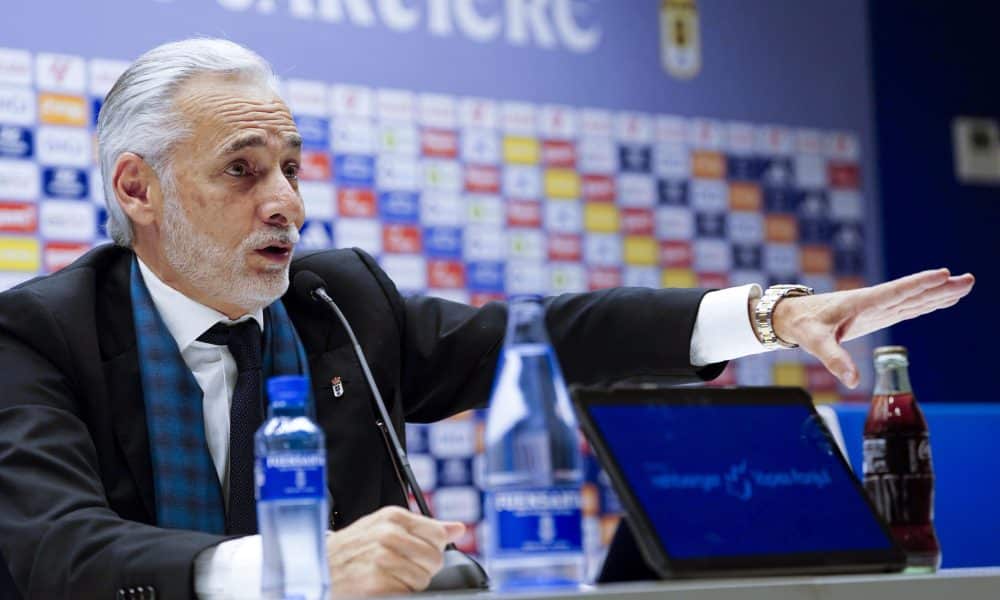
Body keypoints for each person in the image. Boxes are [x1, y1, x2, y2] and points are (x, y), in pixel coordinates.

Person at [0, 38, 974, 600]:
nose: (287, 202)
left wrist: (766, 313)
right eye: (244, 171)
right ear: (139, 188)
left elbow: (543, 338)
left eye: (293, 168)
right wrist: (302, 567)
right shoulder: (40, 335)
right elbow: (53, 547)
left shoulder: (335, 302)